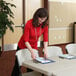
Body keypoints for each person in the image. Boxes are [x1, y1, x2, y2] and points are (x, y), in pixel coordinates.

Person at [11, 8, 48, 76]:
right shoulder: (29, 23)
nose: (42, 21)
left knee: (31, 66)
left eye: (44, 19)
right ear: (37, 16)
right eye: (41, 19)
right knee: (18, 65)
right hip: (23, 46)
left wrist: (45, 50)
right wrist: (32, 52)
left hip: (34, 46)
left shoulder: (44, 25)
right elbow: (26, 41)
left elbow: (45, 39)